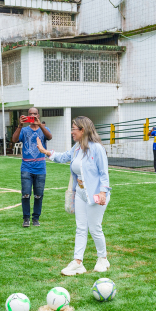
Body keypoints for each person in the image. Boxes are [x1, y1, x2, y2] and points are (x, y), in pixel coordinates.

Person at [36, 116, 111, 275]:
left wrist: (103, 192)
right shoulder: (77, 147)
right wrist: (45, 152)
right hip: (80, 193)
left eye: (73, 129)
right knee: (81, 228)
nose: (71, 132)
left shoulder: (97, 148)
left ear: (82, 130)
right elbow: (64, 157)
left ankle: (103, 258)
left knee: (95, 227)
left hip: (96, 194)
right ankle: (78, 262)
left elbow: (104, 173)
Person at [12, 107, 53, 227]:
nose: (33, 116)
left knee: (39, 194)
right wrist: (20, 125)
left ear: (38, 115)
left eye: (35, 114)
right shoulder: (24, 130)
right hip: (26, 166)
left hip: (40, 167)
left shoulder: (44, 129)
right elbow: (14, 140)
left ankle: (36, 218)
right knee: (25, 193)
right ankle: (26, 218)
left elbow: (49, 137)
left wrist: (40, 125)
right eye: (30, 114)